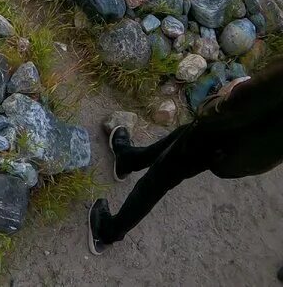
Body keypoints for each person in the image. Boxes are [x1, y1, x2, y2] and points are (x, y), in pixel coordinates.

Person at [89, 54, 283, 256]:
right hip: (255, 151)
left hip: (227, 132)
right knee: (184, 139)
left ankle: (107, 232)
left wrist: (215, 102)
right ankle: (129, 160)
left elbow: (246, 100)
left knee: (160, 178)